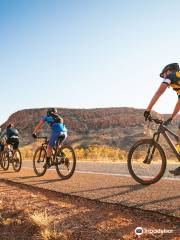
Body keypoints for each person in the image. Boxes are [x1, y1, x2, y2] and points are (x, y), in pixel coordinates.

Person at [144, 63, 180, 176]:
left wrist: (148, 110)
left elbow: (159, 92)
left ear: (168, 71)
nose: (164, 77)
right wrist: (172, 117)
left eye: (164, 74)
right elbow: (179, 103)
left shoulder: (172, 76)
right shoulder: (178, 82)